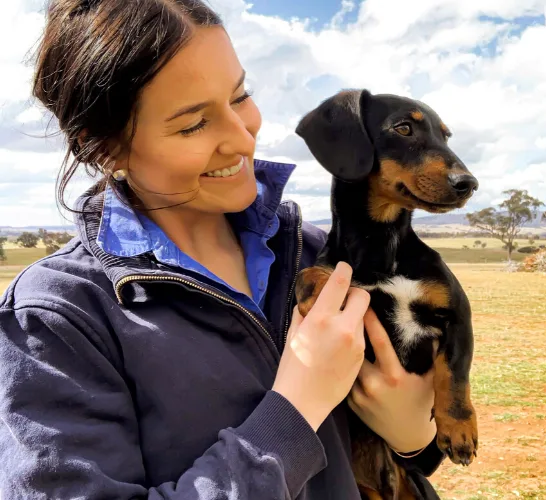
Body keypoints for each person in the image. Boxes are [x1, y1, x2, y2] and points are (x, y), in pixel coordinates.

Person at [0, 0, 444, 498]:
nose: (243, 139)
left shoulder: (320, 256)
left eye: (240, 97)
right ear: (103, 147)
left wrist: (415, 434)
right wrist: (294, 411)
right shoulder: (57, 318)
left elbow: (415, 452)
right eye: (193, 124)